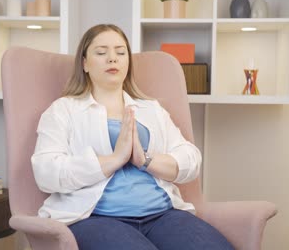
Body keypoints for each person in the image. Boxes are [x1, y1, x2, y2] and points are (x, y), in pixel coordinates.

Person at [31, 24, 234, 250]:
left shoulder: (151, 109)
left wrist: (145, 160)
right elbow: (46, 172)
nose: (112, 59)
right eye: (101, 52)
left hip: (163, 214)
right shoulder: (63, 110)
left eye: (120, 52)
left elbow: (191, 159)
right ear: (85, 63)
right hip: (96, 218)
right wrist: (113, 160)